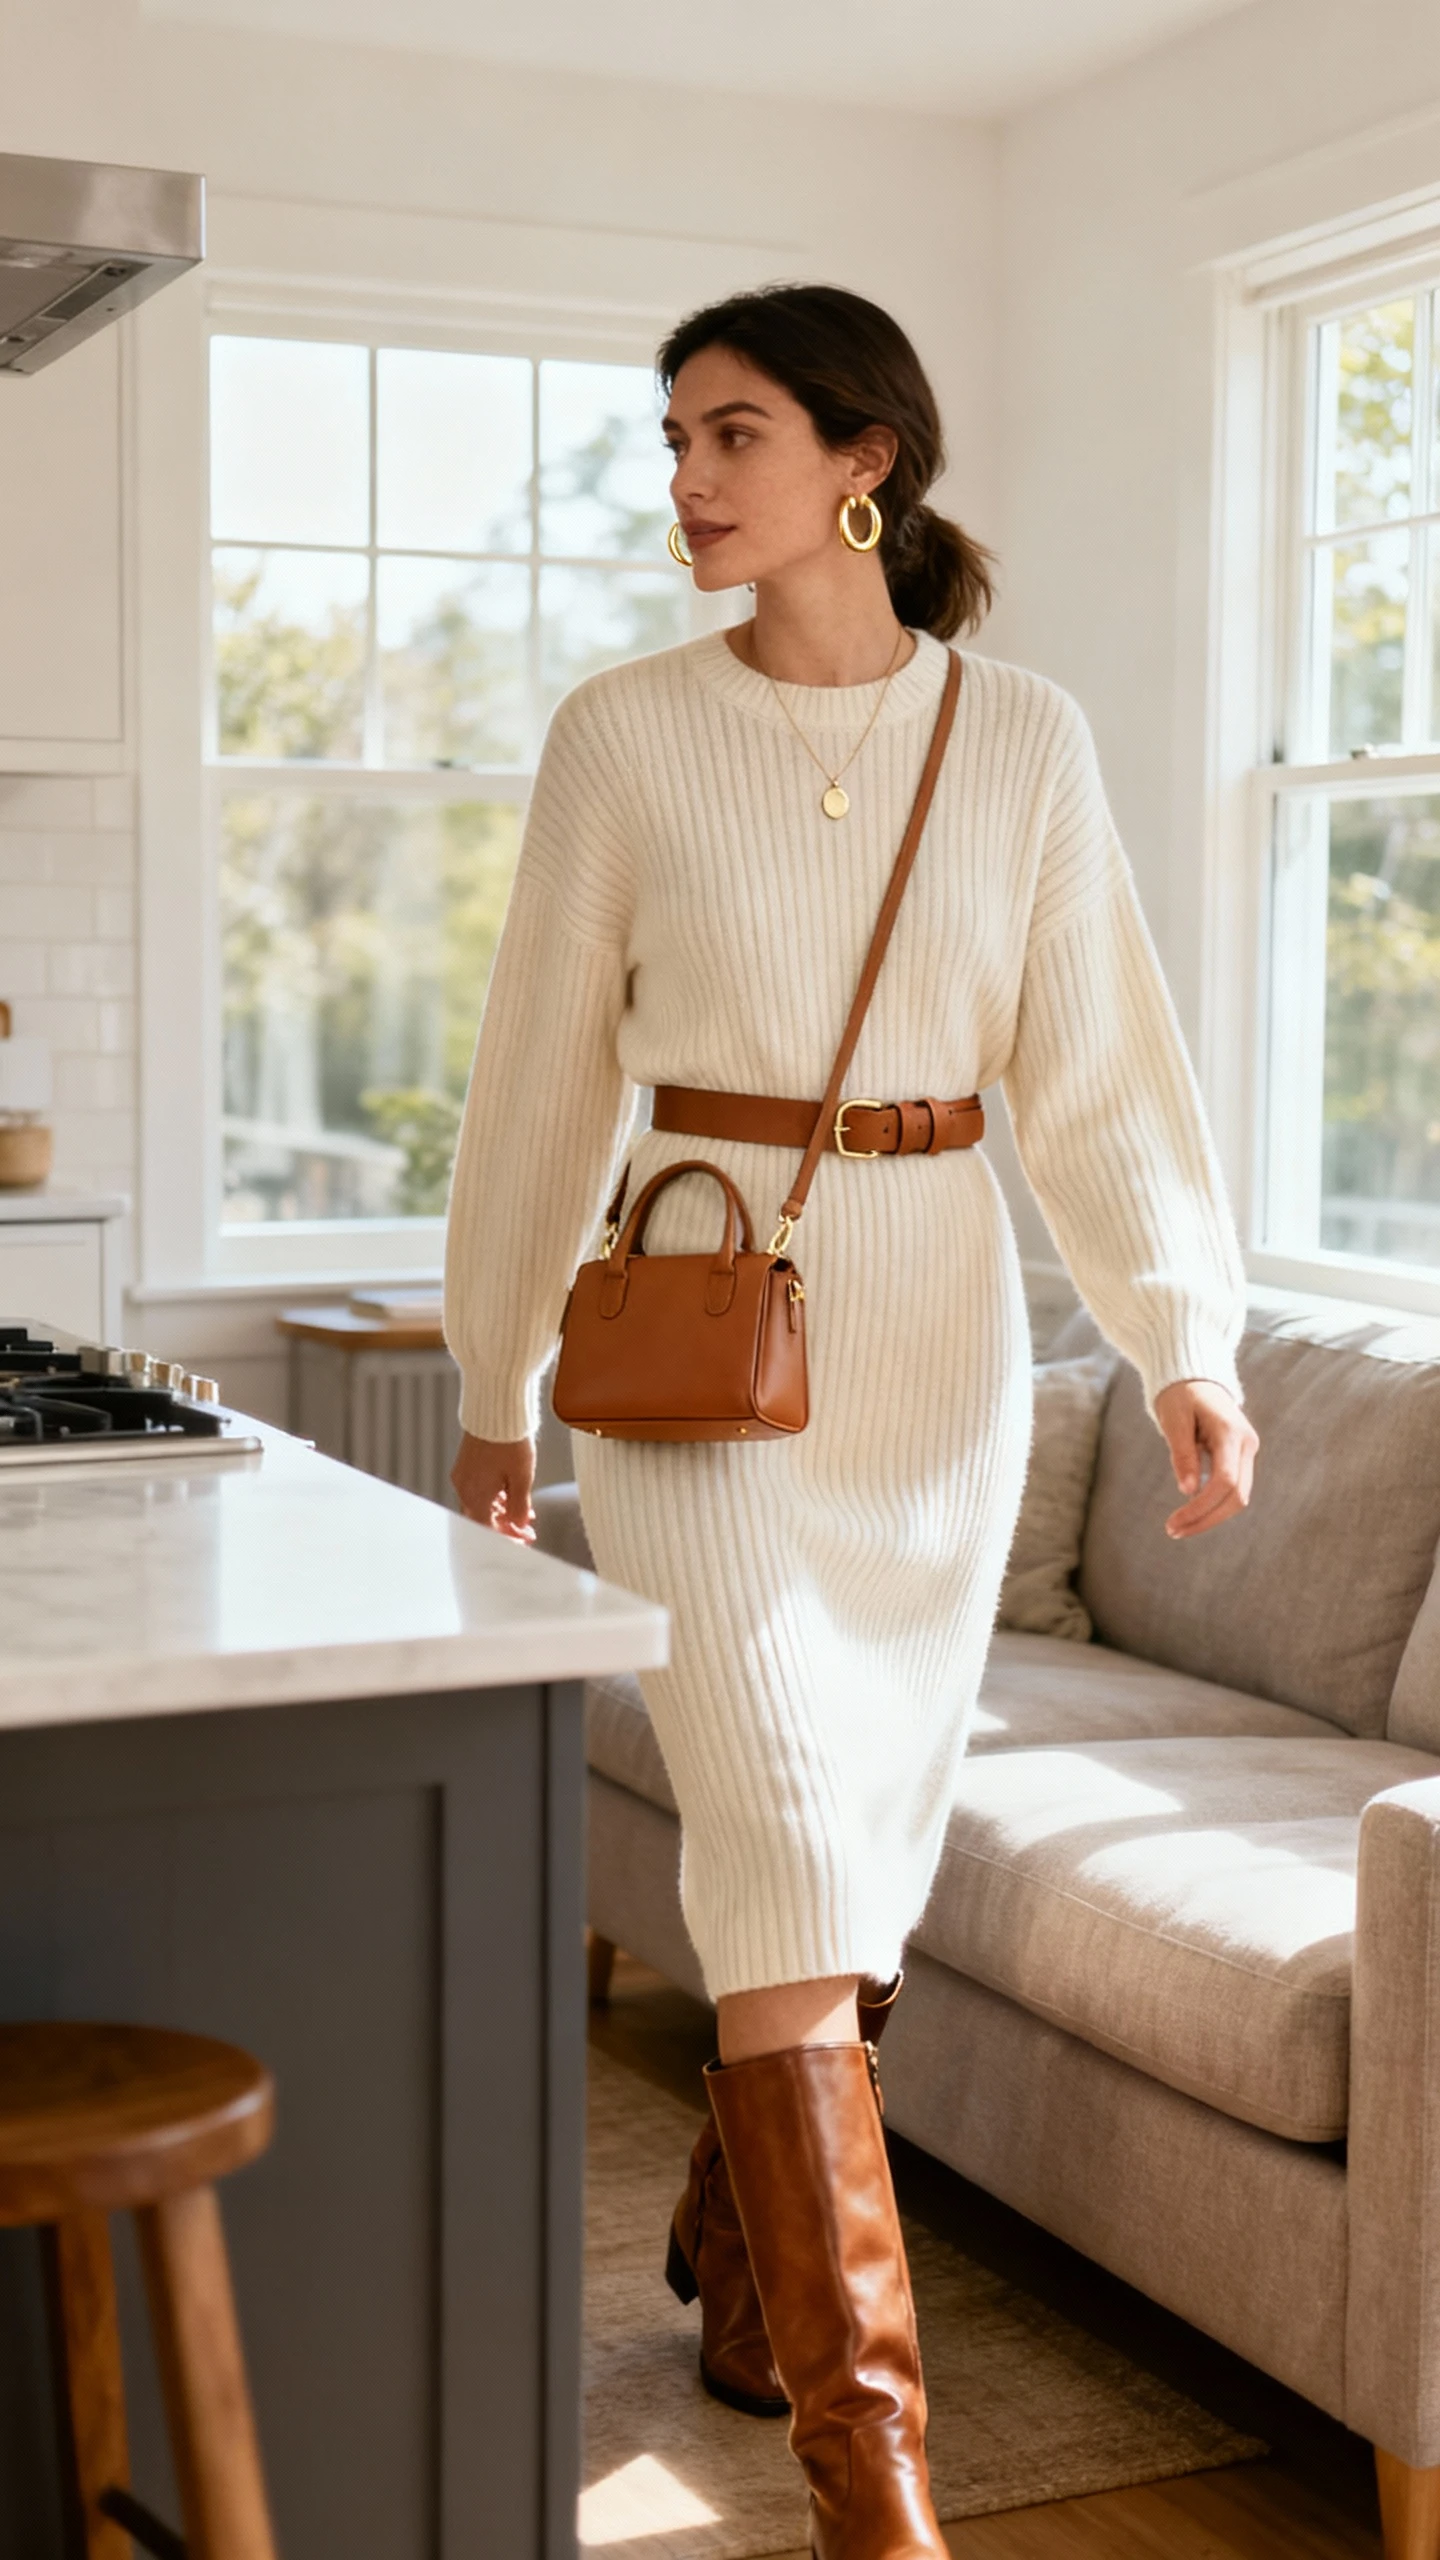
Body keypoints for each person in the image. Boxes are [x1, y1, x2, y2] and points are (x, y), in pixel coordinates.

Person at [444, 282, 1259, 2560]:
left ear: (862, 464)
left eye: (733, 431)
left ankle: (735, 2246)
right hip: (698, 1335)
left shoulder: (1024, 741)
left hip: (935, 1345)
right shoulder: (622, 735)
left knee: (859, 1850)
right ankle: (872, 2485)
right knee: (791, 1821)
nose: (687, 477)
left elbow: (1097, 1076)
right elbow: (536, 1086)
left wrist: (1183, 1342)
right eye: (673, 436)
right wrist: (494, 1378)